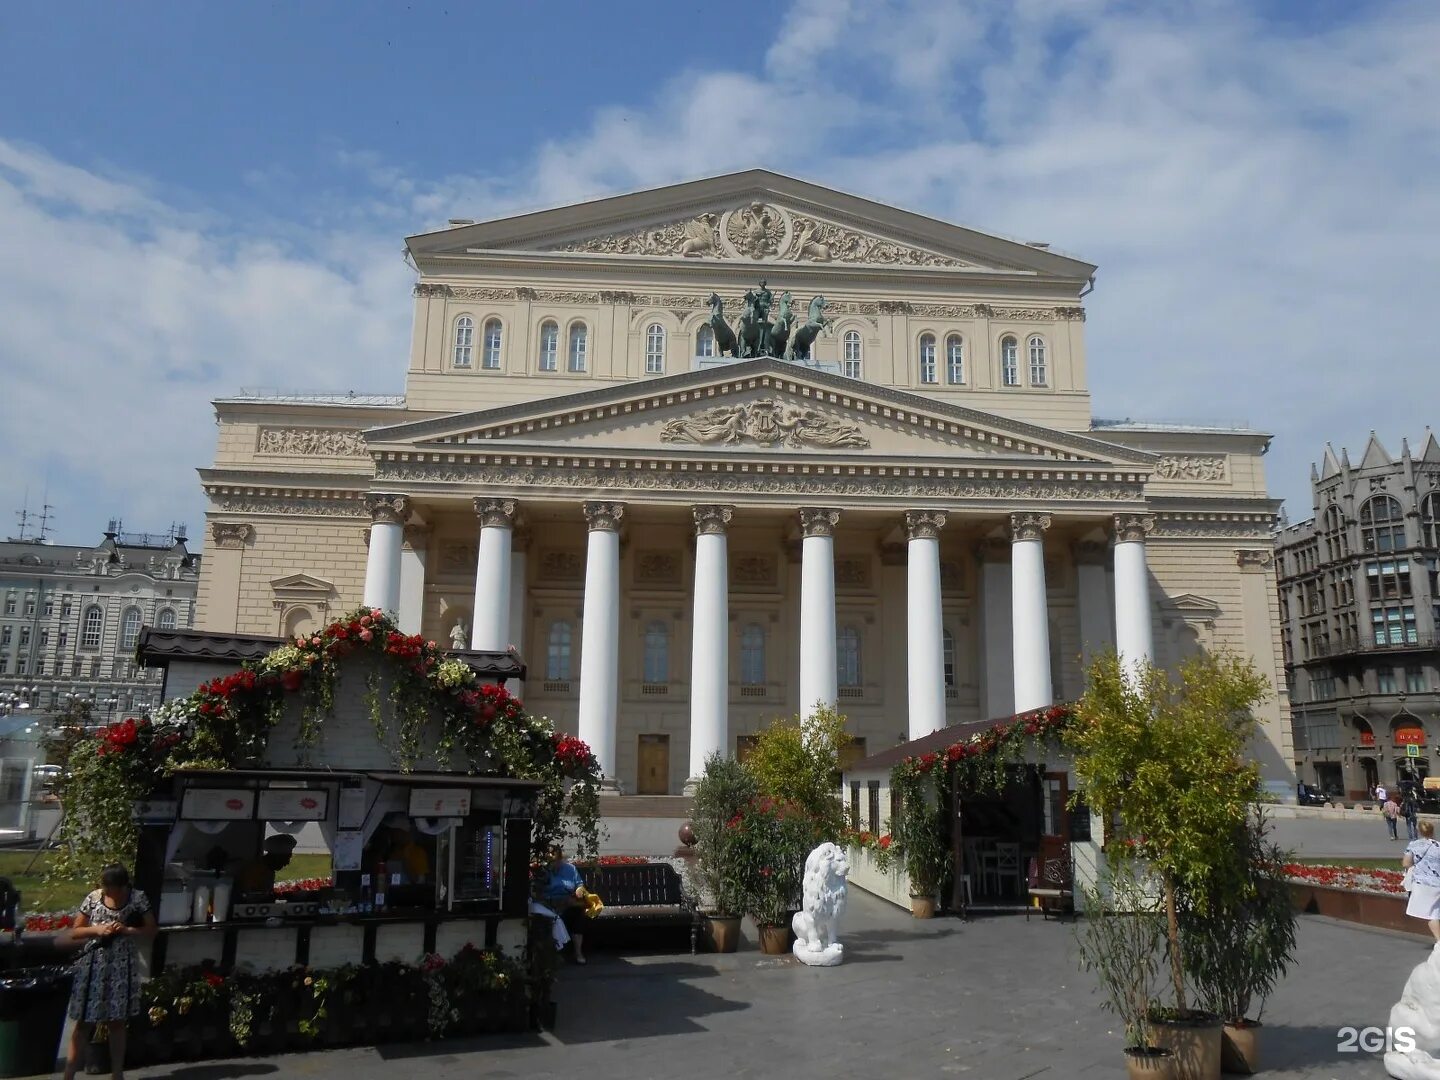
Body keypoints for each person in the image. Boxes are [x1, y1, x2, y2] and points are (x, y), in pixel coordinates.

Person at [61, 864, 157, 1080]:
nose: (107, 891)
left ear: (123, 887)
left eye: (111, 888)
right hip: (94, 964)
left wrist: (126, 930)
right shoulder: (94, 898)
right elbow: (76, 931)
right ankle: (69, 1074)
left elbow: (151, 930)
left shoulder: (138, 898)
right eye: (105, 887)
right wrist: (97, 929)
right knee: (84, 1021)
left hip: (121, 966)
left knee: (117, 1021)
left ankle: (117, 1073)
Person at [542, 847, 587, 964]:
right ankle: (554, 954)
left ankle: (578, 952)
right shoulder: (544, 871)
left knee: (577, 914)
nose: (553, 863)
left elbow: (579, 884)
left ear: (561, 859)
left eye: (555, 860)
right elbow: (539, 891)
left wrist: (579, 890)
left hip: (568, 902)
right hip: (550, 903)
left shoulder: (570, 869)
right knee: (549, 917)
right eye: (550, 861)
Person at [1403, 820, 1440, 946]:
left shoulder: (1414, 845)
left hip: (1422, 884)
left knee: (1431, 914)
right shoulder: (1438, 846)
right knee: (1434, 912)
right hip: (1438, 884)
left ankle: (1439, 941)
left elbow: (1406, 863)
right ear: (1432, 831)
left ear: (1419, 831)